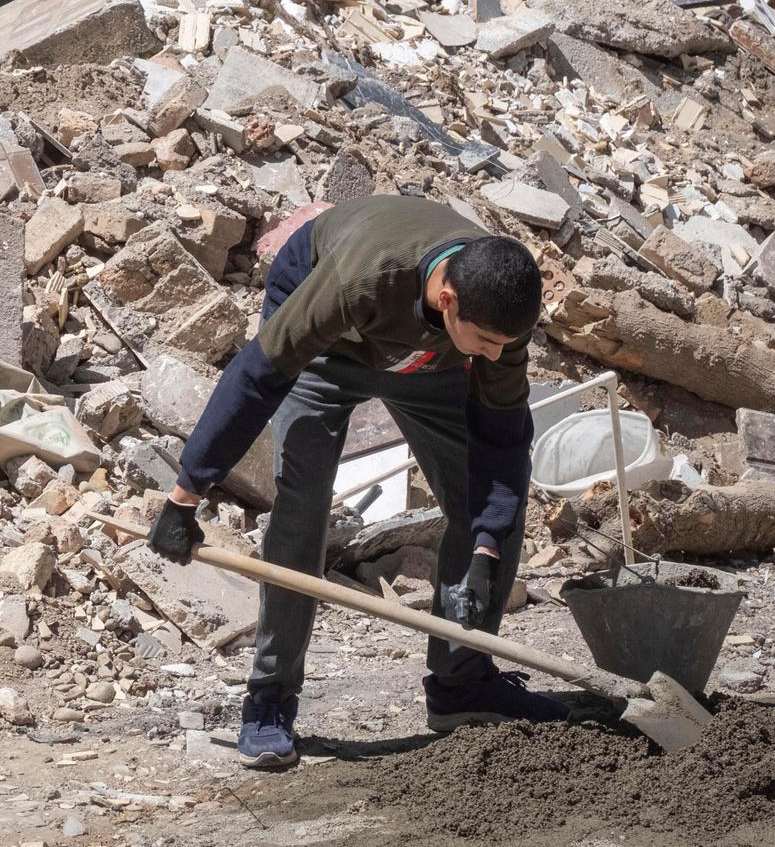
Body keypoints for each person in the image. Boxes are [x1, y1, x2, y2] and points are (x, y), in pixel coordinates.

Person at [145, 194, 568, 769]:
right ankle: (270, 700)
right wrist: (185, 496)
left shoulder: (497, 322)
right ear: (448, 300)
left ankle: (462, 685)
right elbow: (257, 377)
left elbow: (503, 438)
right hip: (328, 350)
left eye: (505, 345)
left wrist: (489, 545)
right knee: (301, 503)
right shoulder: (360, 279)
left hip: (431, 362)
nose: (497, 355)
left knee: (491, 506)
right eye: (488, 343)